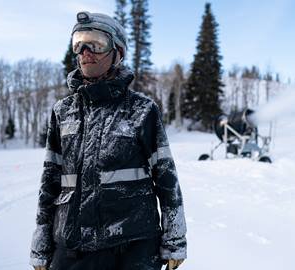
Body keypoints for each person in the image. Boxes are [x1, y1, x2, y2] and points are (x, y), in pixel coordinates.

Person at [29, 11, 187, 270]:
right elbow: (50, 180)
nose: (85, 51)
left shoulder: (142, 110)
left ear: (118, 52)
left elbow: (166, 177)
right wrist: (41, 241)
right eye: (78, 43)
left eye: (96, 43)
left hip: (132, 248)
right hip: (71, 247)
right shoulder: (62, 111)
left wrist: (175, 238)